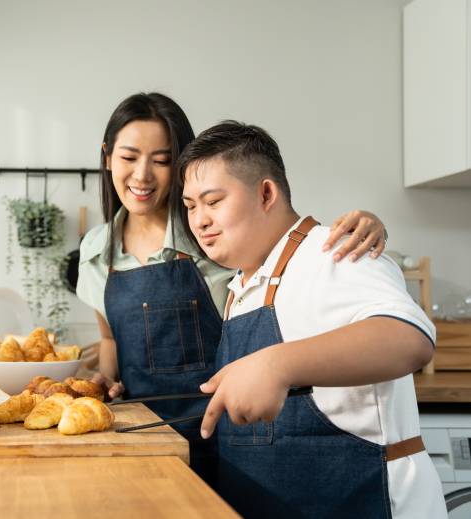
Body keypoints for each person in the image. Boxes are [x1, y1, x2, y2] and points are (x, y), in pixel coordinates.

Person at [76, 92, 388, 486]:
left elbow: (289, 245)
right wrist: (103, 382)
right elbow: (110, 340)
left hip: (232, 438)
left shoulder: (218, 235)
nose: (142, 175)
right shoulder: (95, 251)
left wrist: (366, 225)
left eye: (162, 160)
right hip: (141, 440)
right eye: (128, 157)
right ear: (107, 156)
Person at [178, 120, 445, 518]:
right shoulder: (241, 284)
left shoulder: (334, 250)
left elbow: (410, 339)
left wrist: (277, 364)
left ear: (266, 193)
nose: (198, 220)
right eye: (190, 206)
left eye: (213, 201)